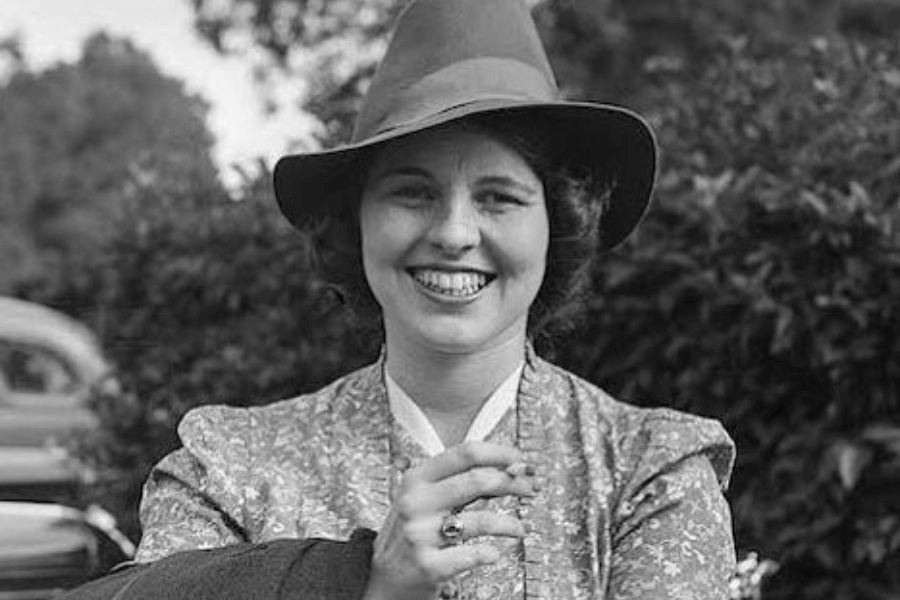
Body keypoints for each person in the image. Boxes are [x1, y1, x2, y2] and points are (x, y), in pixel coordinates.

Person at [63, 0, 736, 598]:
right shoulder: (229, 468)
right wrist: (361, 582)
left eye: (499, 197)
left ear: (555, 227)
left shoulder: (650, 474)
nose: (452, 233)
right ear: (357, 225)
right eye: (412, 192)